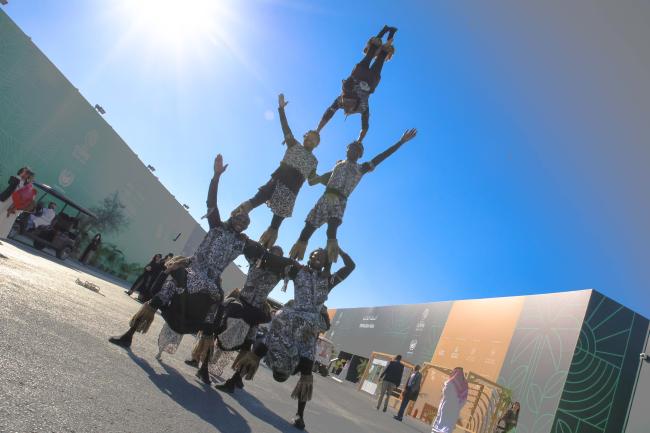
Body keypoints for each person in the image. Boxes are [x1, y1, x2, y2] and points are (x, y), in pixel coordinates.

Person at [108, 154, 256, 357]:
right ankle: (131, 330)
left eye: (244, 223)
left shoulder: (242, 243)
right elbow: (211, 202)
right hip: (194, 268)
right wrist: (216, 177)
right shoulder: (217, 225)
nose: (241, 223)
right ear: (232, 217)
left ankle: (202, 358)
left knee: (218, 307)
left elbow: (263, 255)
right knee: (171, 281)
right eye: (238, 219)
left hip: (213, 279)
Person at [232, 247, 355, 430]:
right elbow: (275, 261)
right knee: (268, 339)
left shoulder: (328, 281)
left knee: (307, 367)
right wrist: (257, 251)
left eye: (320, 255)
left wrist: (339, 251)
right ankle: (234, 379)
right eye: (313, 254)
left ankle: (299, 415)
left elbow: (350, 266)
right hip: (289, 319)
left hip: (307, 328)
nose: (315, 256)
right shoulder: (298, 271)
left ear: (326, 261)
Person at [290, 128, 417, 262]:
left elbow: (381, 156)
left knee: (331, 230)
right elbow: (314, 181)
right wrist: (308, 167)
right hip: (325, 198)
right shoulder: (337, 166)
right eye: (351, 148)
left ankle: (328, 258)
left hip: (340, 200)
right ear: (346, 150)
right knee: (307, 229)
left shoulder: (361, 168)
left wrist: (400, 142)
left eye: (357, 150)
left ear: (360, 155)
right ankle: (293, 258)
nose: (353, 151)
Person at [230, 93, 320, 249]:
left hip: (291, 192)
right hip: (277, 181)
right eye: (308, 137)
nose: (309, 141)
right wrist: (281, 109)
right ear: (304, 137)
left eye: (314, 140)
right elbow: (285, 127)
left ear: (317, 144)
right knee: (254, 201)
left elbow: (312, 181)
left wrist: (330, 177)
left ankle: (263, 247)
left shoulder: (314, 161)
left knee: (275, 224)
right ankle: (230, 224)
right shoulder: (294, 145)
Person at [196, 245, 285, 385]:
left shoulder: (280, 272)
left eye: (279, 255)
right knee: (217, 331)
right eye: (273, 253)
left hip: (256, 310)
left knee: (248, 345)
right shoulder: (256, 260)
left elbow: (294, 270)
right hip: (241, 303)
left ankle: (236, 378)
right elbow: (248, 248)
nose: (275, 257)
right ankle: (203, 367)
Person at [316, 25, 398, 142]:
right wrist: (359, 141)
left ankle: (386, 32)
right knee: (377, 57)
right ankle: (387, 33)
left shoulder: (345, 102)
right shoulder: (353, 104)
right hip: (366, 78)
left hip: (364, 77)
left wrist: (318, 130)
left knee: (375, 56)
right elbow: (364, 127)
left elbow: (328, 114)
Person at [0, 170, 36, 239]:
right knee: (1, 214)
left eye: (26, 174)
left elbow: (30, 198)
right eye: (24, 173)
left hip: (16, 204)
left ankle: (2, 235)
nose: (24, 174)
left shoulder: (29, 186)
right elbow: (11, 182)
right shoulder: (17, 179)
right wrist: (20, 176)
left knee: (8, 220)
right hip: (7, 200)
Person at [431, 367, 469, 432]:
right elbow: (464, 401)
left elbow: (445, 392)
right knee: (448, 425)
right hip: (455, 410)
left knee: (440, 423)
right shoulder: (465, 385)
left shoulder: (450, 382)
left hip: (446, 406)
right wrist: (457, 407)